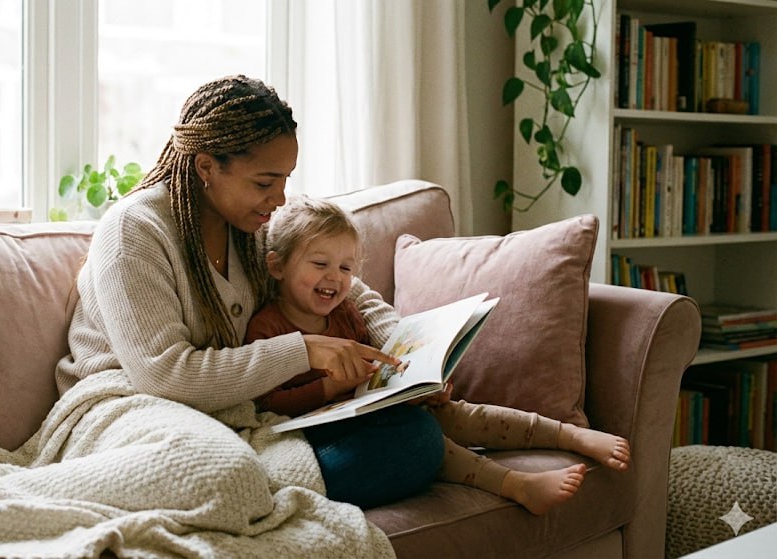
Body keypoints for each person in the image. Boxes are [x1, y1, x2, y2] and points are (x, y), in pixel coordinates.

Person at [56, 74, 444, 510]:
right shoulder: (133, 230)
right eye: (264, 183)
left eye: (285, 180)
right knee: (225, 471)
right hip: (126, 407)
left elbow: (354, 293)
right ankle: (249, 486)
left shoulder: (252, 229)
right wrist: (304, 351)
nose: (279, 199)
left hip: (228, 416)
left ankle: (249, 489)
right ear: (206, 167)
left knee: (415, 436)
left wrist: (409, 357)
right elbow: (163, 376)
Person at [244, 195, 633, 515]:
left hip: (372, 412)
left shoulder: (347, 313)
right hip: (333, 435)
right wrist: (328, 389)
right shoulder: (267, 327)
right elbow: (267, 404)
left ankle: (569, 434)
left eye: (346, 268)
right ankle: (516, 485)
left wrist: (416, 385)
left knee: (457, 413)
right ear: (277, 265)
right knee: (425, 435)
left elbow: (377, 366)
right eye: (320, 264)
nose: (335, 277)